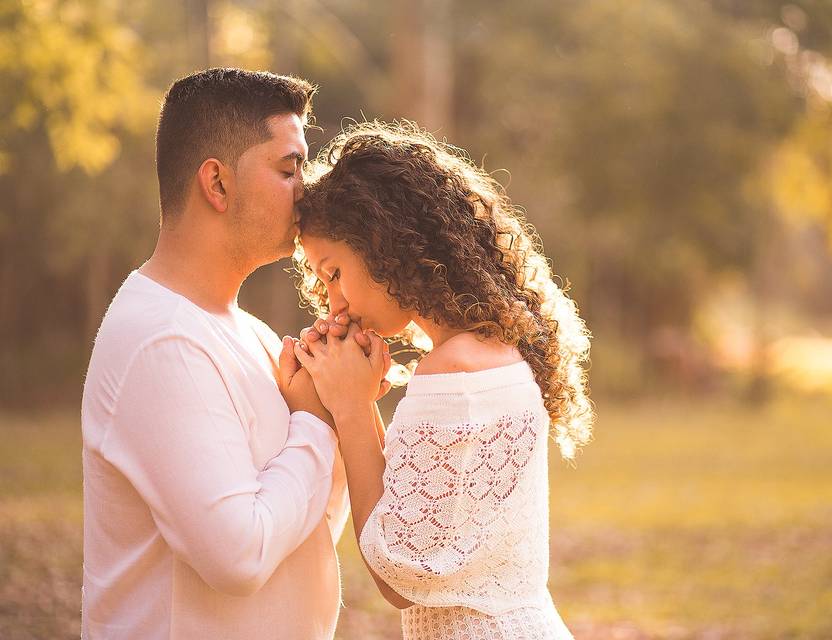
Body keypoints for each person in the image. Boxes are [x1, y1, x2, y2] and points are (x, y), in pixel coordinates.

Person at [292, 121, 593, 639]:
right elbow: (417, 511)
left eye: (334, 272)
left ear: (383, 244)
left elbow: (401, 574)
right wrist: (355, 400)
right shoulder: (492, 353)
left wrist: (350, 409)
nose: (333, 301)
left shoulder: (451, 372)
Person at [80, 68, 351, 639]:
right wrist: (314, 422)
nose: (306, 188)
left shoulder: (246, 330)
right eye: (287, 168)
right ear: (218, 184)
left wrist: (344, 407)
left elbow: (306, 528)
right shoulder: (162, 339)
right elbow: (240, 554)